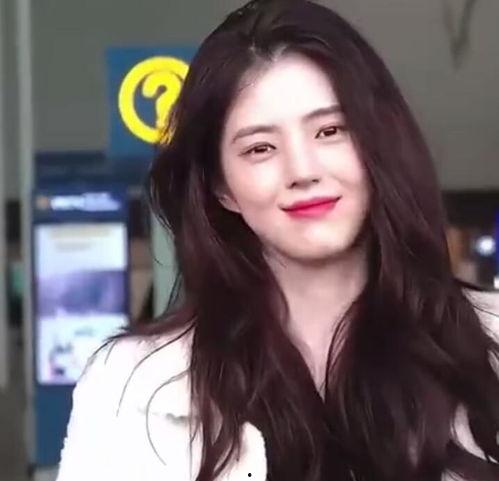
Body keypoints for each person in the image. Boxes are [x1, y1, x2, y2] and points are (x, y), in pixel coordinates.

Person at [56, 1, 499, 480]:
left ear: (378, 145)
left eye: (330, 131)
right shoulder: (129, 386)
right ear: (221, 187)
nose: (302, 171)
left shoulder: (489, 344)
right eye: (260, 148)